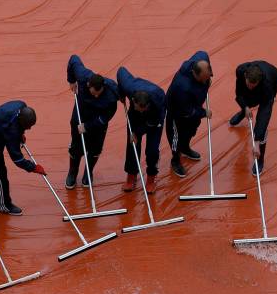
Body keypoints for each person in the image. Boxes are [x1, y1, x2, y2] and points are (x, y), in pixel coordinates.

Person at [0, 101, 46, 215]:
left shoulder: (21, 105)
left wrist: (20, 134)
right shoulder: (11, 131)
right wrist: (33, 167)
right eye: (27, 127)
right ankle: (3, 205)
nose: (29, 129)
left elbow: (15, 127)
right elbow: (17, 159)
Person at [65, 54, 120, 188]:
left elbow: (105, 117)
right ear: (88, 85)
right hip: (80, 116)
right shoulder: (84, 77)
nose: (96, 95)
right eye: (93, 93)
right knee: (76, 148)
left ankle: (88, 173)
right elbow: (73, 59)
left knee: (95, 149)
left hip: (98, 123)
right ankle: (72, 173)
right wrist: (71, 80)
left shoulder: (112, 94)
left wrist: (88, 126)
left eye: (98, 93)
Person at [116, 66, 166, 194]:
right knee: (132, 145)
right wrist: (121, 94)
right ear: (133, 101)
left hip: (155, 121)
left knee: (152, 151)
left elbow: (158, 119)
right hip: (134, 118)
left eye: (143, 109)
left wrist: (141, 129)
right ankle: (131, 176)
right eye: (139, 108)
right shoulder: (129, 86)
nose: (141, 110)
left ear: (148, 105)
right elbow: (121, 70)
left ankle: (151, 178)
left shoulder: (159, 99)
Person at [165, 51, 212, 177]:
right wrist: (204, 112)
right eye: (204, 79)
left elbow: (202, 53)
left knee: (192, 128)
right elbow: (188, 111)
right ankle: (175, 159)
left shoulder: (202, 59)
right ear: (195, 74)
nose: (206, 81)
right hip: (178, 111)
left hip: (194, 104)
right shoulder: (182, 87)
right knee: (176, 136)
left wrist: (207, 81)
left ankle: (185, 148)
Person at [229, 60, 277, 174]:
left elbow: (264, 115)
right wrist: (245, 107)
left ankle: (259, 160)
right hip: (255, 80)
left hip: (273, 78)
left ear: (259, 81)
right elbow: (239, 93)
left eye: (254, 86)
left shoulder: (267, 86)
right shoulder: (240, 71)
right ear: (245, 76)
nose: (250, 87)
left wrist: (257, 141)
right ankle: (243, 112)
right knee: (248, 99)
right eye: (248, 85)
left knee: (262, 127)